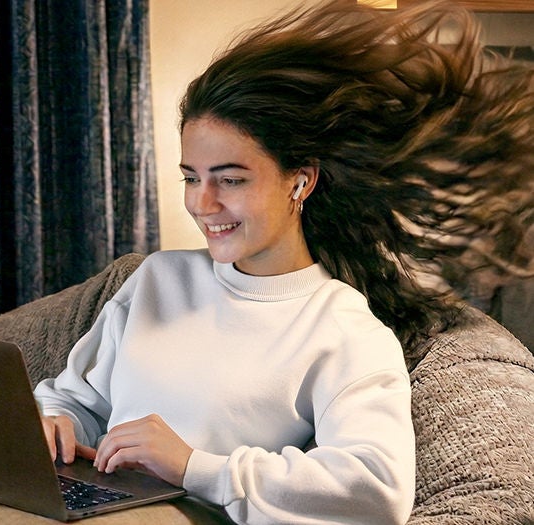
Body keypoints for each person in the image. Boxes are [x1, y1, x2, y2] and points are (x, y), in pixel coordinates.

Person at [34, 1, 533, 523]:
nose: (202, 204)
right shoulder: (158, 279)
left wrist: (195, 468)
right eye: (191, 177)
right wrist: (53, 421)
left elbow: (375, 490)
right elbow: (75, 401)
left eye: (231, 179)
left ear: (299, 181)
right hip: (79, 505)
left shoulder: (339, 325)